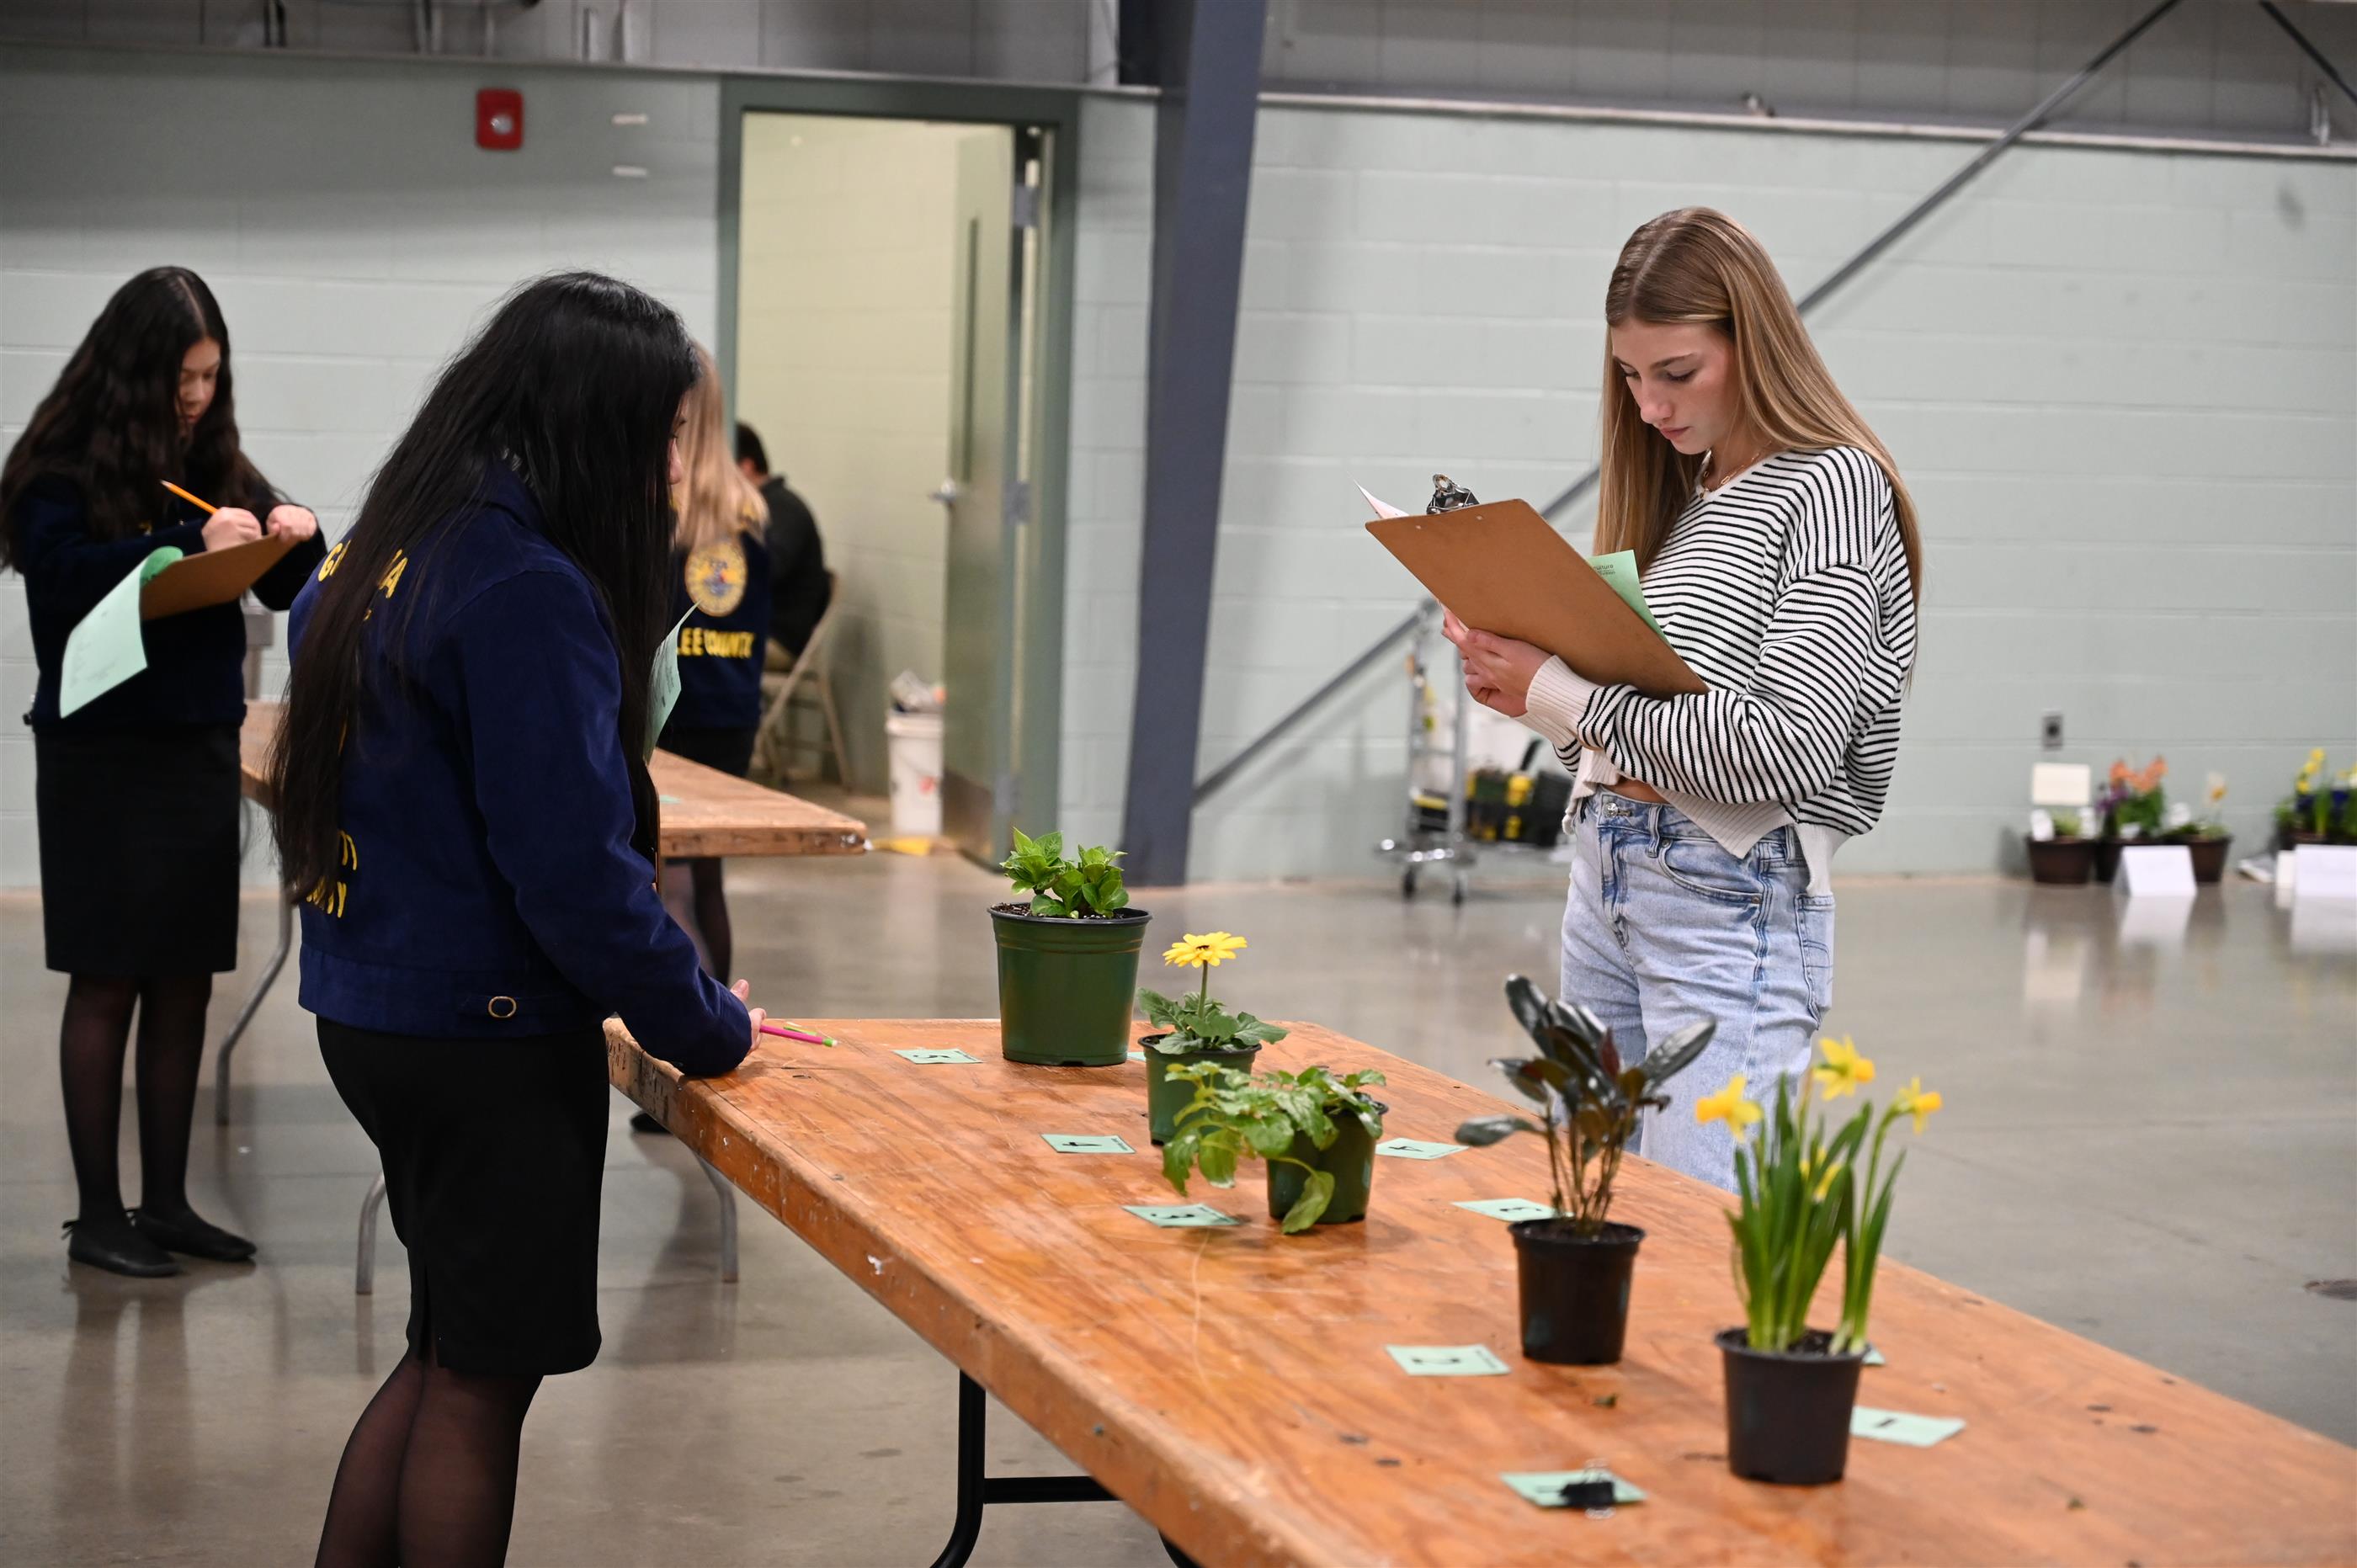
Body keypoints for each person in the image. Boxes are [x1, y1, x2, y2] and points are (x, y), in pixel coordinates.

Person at [271, 273, 767, 1567]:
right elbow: (576, 880)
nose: (676, 468)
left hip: (377, 1008)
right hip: (482, 1038)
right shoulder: (523, 586)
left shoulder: (392, 546)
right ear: (593, 419)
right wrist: (707, 1023)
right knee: (481, 1384)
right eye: (665, 433)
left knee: (445, 1348)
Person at [1445, 208, 1922, 1192]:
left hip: (1727, 890)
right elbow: (1636, 730)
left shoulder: (1831, 487)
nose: (1649, 404)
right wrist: (1531, 695)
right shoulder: (1690, 498)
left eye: (1676, 371)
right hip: (1608, 870)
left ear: (1755, 342)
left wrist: (1564, 693)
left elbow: (1784, 749)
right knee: (1591, 1207)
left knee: (1698, 1229)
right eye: (1629, 375)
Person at [1, 266, 324, 1278]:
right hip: (101, 754)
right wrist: (185, 543)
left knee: (185, 979)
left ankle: (169, 1203)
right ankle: (101, 1217)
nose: (196, 395)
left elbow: (282, 579)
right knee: (107, 979)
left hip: (194, 745)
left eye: (210, 376)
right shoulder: (57, 467)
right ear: (135, 369)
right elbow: (59, 589)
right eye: (182, 377)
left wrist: (295, 535)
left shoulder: (214, 458)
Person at [630, 348, 773, 1136]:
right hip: (733, 710)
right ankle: (718, 1018)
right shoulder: (750, 510)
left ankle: (694, 1042)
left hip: (678, 704)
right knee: (705, 874)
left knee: (673, 878)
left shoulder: (670, 505)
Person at [735, 420, 829, 667]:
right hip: (755, 628)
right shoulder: (761, 506)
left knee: (690, 652)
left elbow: (763, 573)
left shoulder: (782, 509)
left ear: (746, 467)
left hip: (777, 638)